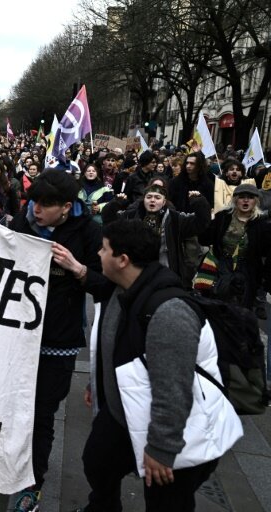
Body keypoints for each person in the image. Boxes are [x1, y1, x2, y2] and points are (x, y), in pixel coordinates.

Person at [76, 219, 221, 512]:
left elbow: (173, 389)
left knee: (166, 500)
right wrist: (97, 382)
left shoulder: (169, 312)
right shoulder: (121, 289)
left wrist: (161, 449)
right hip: (123, 413)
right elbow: (115, 346)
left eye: (104, 249)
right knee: (98, 462)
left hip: (173, 432)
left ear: (122, 259)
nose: (98, 254)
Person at [9, 169, 107, 511]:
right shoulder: (22, 223)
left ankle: (32, 483)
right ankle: (7, 463)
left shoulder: (88, 231)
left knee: (42, 413)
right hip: (17, 333)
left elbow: (106, 284)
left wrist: (78, 269)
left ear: (66, 207)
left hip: (58, 338)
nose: (36, 209)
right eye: (34, 201)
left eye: (46, 204)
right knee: (11, 405)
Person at [102, 182, 210, 287]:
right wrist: (116, 203)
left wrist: (199, 202)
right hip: (135, 275)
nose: (152, 200)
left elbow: (200, 222)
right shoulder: (130, 217)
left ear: (164, 202)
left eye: (157, 197)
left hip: (166, 274)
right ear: (144, 199)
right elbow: (108, 220)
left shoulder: (175, 219)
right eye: (149, 197)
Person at [197, 183, 271, 311]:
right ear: (235, 200)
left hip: (246, 271)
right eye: (242, 197)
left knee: (241, 309)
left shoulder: (261, 224)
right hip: (221, 266)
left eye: (250, 197)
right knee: (216, 304)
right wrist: (203, 212)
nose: (246, 200)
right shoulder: (223, 217)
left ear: (256, 201)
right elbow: (204, 239)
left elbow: (265, 252)